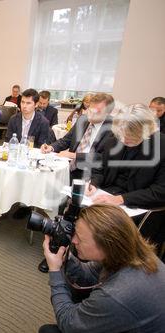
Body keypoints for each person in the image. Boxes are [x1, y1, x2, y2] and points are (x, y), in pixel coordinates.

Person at [39, 204, 165, 333]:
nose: (73, 241)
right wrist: (66, 257)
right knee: (75, 291)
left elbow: (67, 323)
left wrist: (54, 271)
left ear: (106, 244)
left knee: (48, 331)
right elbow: (88, 275)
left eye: (80, 239)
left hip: (124, 309)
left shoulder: (115, 294)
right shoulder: (130, 252)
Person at [86, 103, 165, 248]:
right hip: (108, 194)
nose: (124, 140)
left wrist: (120, 199)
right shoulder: (116, 137)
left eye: (131, 137)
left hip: (138, 205)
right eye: (122, 135)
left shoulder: (161, 146)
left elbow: (160, 191)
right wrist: (94, 183)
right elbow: (100, 167)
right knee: (77, 209)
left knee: (103, 229)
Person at [40, 93, 115, 180]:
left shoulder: (112, 129)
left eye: (96, 112)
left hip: (92, 174)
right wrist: (51, 147)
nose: (90, 114)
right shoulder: (82, 119)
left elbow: (102, 157)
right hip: (70, 168)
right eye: (90, 110)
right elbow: (67, 140)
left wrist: (74, 155)